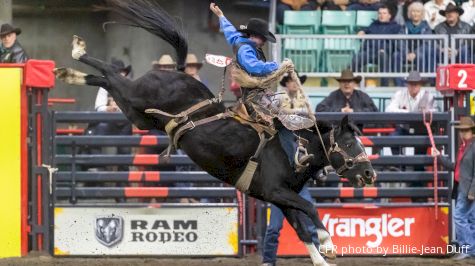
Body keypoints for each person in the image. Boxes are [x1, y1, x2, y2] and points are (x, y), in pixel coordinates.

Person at [210, 2, 314, 171]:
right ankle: (295, 156)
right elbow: (254, 67)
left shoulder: (239, 41)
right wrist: (276, 66)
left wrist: (221, 16)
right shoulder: (246, 50)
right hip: (255, 98)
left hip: (256, 95)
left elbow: (230, 32)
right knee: (284, 118)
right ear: (254, 35)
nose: (264, 40)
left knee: (288, 109)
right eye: (263, 37)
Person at [386, 71, 437, 195]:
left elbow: (433, 112)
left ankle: (418, 184)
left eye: (416, 84)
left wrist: (406, 113)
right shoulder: (400, 94)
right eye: (411, 83)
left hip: (420, 131)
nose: (413, 86)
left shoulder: (428, 96)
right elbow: (389, 109)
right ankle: (398, 166)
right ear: (407, 84)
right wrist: (409, 113)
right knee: (392, 138)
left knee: (419, 158)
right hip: (404, 128)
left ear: (420, 85)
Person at [433, 116, 475, 260]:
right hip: (462, 187)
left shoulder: (471, 146)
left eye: (466, 130)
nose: (463, 133)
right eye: (461, 131)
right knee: (467, 218)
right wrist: (440, 157)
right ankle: (469, 249)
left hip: (467, 188)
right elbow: (455, 167)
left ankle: (468, 248)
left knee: (459, 216)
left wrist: (472, 191)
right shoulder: (464, 146)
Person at [351, 5, 402, 85]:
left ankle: (384, 86)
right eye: (380, 13)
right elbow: (366, 30)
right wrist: (362, 31)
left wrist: (386, 49)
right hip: (369, 52)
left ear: (389, 15)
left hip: (383, 53)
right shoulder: (373, 24)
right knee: (356, 58)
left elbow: (396, 43)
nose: (381, 15)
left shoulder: (396, 27)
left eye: (384, 13)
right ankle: (358, 84)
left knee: (382, 55)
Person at [393, 1, 433, 86]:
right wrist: (406, 52)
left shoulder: (426, 27)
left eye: (418, 11)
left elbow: (427, 43)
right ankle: (399, 84)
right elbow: (400, 40)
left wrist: (415, 53)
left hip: (419, 53)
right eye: (413, 11)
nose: (415, 14)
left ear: (421, 14)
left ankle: (420, 82)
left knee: (421, 56)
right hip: (406, 53)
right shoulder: (405, 26)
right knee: (396, 55)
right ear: (410, 13)